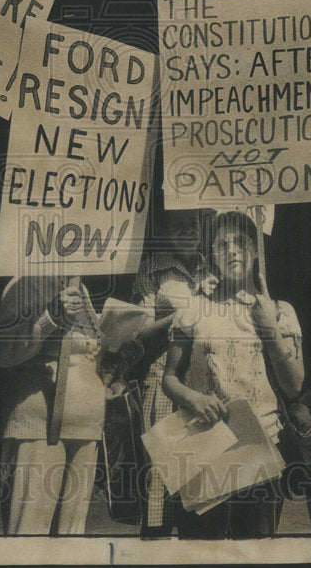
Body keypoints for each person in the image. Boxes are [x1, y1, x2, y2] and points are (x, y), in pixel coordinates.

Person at [162, 210, 303, 539]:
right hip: (202, 445)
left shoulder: (280, 312)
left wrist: (269, 329)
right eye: (221, 244)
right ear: (211, 254)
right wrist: (193, 398)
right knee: (201, 550)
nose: (232, 250)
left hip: (262, 447)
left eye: (240, 242)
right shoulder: (193, 309)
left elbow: (294, 385)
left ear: (255, 249)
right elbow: (169, 379)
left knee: (255, 550)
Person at [0, 274, 105, 535]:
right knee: (31, 531)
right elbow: (3, 352)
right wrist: (49, 318)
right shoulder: (25, 283)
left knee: (71, 535)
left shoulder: (81, 287)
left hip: (86, 427)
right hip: (41, 425)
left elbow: (89, 356)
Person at [130, 208, 213, 537]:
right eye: (179, 226)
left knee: (203, 485)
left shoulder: (216, 267)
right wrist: (181, 316)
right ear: (165, 231)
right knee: (161, 485)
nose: (188, 231)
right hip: (164, 385)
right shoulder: (152, 269)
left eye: (193, 225)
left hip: (208, 387)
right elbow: (137, 332)